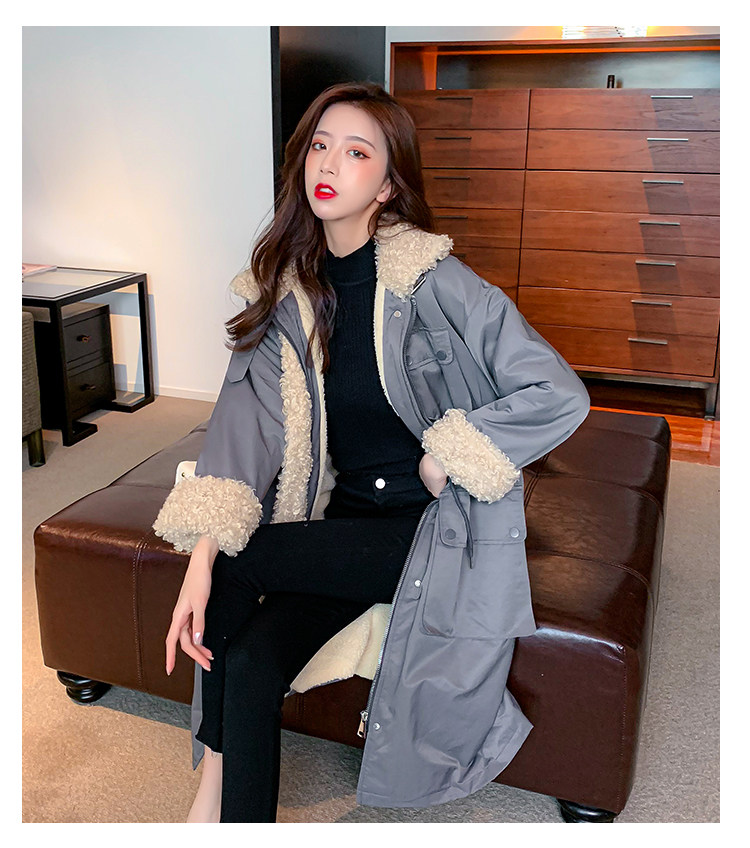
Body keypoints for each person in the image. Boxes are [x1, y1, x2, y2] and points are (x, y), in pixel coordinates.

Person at [153, 81, 590, 823]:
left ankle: (207, 808)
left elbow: (559, 391)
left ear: (387, 186)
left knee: (246, 560)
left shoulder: (435, 282)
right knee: (251, 658)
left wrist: (454, 451)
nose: (330, 163)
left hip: (432, 533)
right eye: (320, 146)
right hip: (349, 524)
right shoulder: (287, 297)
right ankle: (224, 810)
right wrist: (199, 558)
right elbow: (239, 430)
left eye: (357, 153)